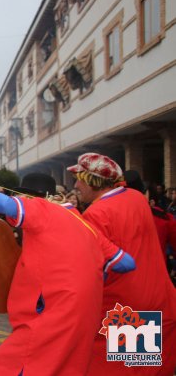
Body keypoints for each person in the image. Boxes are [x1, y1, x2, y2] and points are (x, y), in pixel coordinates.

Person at [0, 172, 135, 375]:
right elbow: (126, 263)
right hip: (86, 313)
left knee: (12, 365)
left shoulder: (44, 208)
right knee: (65, 366)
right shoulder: (84, 223)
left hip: (53, 310)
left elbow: (5, 204)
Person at [68, 153, 176, 375]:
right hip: (157, 300)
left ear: (93, 180)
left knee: (122, 370)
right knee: (147, 368)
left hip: (125, 311)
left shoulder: (97, 214)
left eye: (80, 178)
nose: (76, 184)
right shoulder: (136, 198)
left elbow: (91, 272)